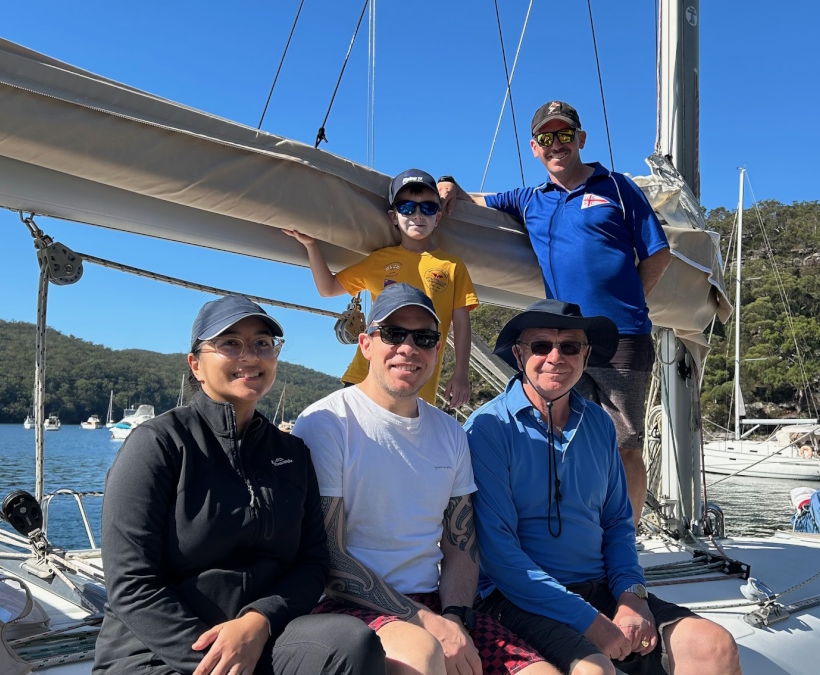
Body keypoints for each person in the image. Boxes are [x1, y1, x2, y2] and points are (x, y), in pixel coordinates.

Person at [95, 295, 385, 675]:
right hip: (158, 653)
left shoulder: (292, 454)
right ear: (196, 364)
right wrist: (221, 662)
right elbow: (132, 583)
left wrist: (260, 619)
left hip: (260, 639)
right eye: (230, 343)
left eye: (262, 343)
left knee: (351, 643)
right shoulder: (159, 444)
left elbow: (313, 562)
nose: (250, 356)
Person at [464, 300, 742, 675]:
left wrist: (631, 594)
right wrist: (588, 620)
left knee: (714, 646)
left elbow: (616, 524)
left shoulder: (598, 422)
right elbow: (498, 555)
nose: (555, 357)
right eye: (541, 345)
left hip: (600, 589)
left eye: (570, 347)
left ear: (586, 355)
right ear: (518, 354)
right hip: (517, 598)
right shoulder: (488, 428)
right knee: (595, 671)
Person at [292, 283, 556, 675]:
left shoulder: (450, 433)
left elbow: (460, 546)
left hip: (437, 604)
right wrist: (426, 623)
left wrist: (454, 617)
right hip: (351, 606)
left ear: (437, 349)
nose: (408, 347)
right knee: (423, 654)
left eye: (424, 338)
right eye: (393, 334)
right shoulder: (327, 424)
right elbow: (331, 558)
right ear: (366, 344)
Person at [440, 101, 672, 527]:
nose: (556, 144)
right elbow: (477, 200)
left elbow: (658, 253)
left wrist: (632, 301)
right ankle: (574, 531)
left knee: (626, 444)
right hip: (563, 341)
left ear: (580, 139)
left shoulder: (617, 188)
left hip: (624, 336)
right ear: (534, 148)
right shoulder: (530, 199)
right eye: (546, 138)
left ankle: (626, 540)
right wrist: (448, 187)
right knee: (565, 437)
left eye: (564, 134)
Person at [284, 168, 478, 409]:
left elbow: (461, 323)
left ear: (437, 217)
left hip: (417, 384)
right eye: (407, 207)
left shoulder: (452, 266)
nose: (417, 215)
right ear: (393, 217)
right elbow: (328, 288)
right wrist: (311, 246)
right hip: (364, 377)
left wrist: (461, 373)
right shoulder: (378, 261)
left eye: (427, 208)